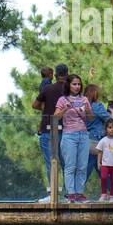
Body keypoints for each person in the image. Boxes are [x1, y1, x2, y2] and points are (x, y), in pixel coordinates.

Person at [55, 74, 93, 202]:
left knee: (82, 166)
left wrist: (87, 109)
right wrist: (65, 109)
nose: (77, 87)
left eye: (79, 84)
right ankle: (70, 193)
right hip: (69, 135)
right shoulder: (62, 99)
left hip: (83, 134)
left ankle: (79, 193)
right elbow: (55, 118)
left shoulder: (84, 99)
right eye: (74, 84)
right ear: (69, 85)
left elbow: (91, 118)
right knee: (70, 166)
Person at [33, 62, 68, 199]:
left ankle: (52, 193)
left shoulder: (47, 88)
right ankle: (69, 194)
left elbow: (35, 105)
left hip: (48, 128)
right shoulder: (71, 89)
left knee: (51, 162)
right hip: (66, 130)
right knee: (67, 163)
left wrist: (47, 109)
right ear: (66, 74)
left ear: (56, 74)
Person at [83, 83, 109, 191]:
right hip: (96, 139)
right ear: (94, 94)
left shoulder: (83, 106)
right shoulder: (97, 106)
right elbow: (108, 119)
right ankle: (73, 192)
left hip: (86, 138)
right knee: (88, 167)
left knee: (98, 167)